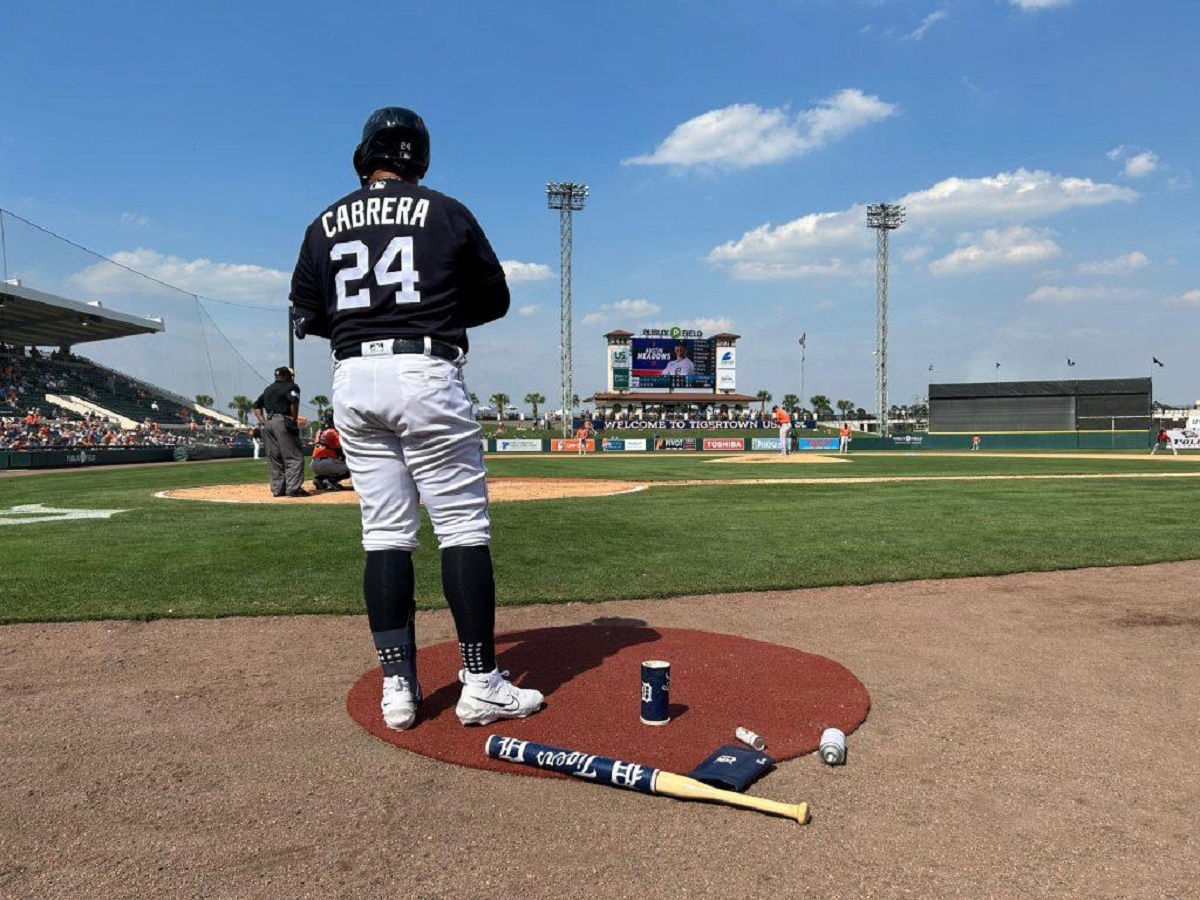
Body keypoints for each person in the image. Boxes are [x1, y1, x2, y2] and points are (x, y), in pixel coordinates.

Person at [288, 105, 543, 731]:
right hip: (425, 369)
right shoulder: (445, 210)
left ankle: (398, 687)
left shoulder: (324, 222)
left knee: (385, 534)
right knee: (460, 527)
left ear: (366, 152)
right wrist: (431, 309)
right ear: (418, 158)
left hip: (352, 376)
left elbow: (307, 315)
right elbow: (496, 298)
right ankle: (481, 683)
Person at [252, 366, 308, 497]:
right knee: (294, 457)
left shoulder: (268, 389)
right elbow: (294, 402)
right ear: (287, 376)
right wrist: (294, 418)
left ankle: (277, 489)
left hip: (269, 423)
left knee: (274, 457)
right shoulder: (291, 386)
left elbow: (256, 406)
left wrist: (262, 420)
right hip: (282, 421)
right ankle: (293, 488)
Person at [311, 411, 352, 490]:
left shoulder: (319, 431)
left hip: (314, 464)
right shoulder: (334, 432)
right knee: (352, 467)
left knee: (333, 464)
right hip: (327, 463)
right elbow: (340, 451)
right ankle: (331, 480)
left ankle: (319, 479)